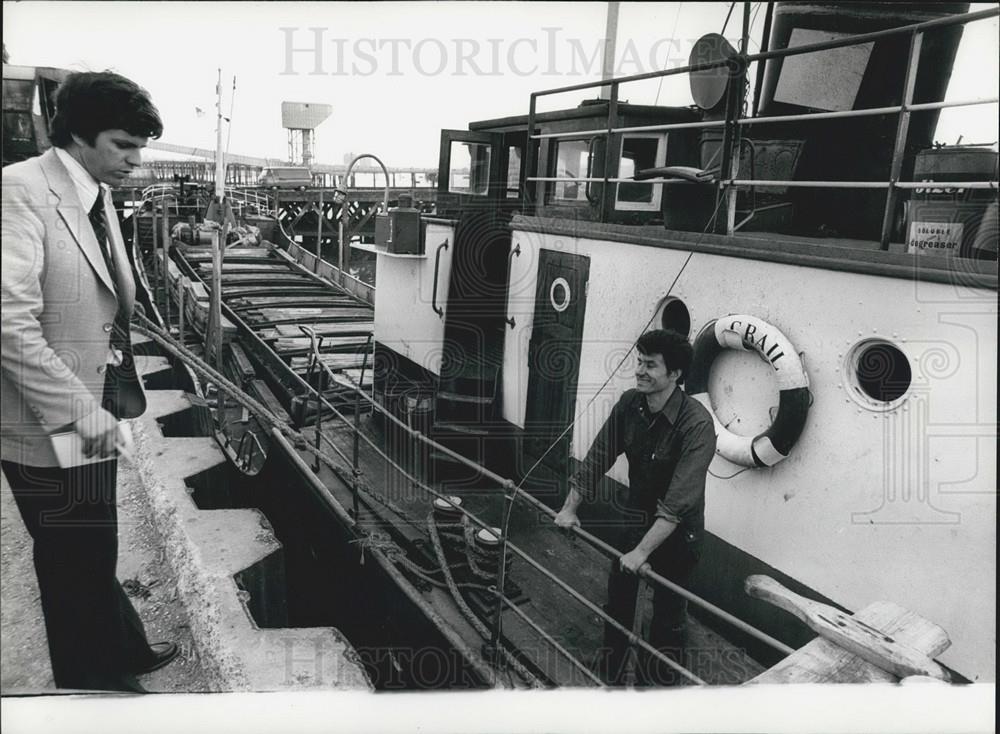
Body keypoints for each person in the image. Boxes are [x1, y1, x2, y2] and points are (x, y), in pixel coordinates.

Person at [1, 71, 178, 692]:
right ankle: (94, 682)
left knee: (93, 534)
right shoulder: (19, 191)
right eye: (124, 145)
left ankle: (118, 646)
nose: (137, 160)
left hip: (91, 396)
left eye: (141, 146)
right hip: (44, 414)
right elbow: (8, 325)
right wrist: (84, 414)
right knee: (69, 547)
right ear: (79, 134)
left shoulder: (93, 189)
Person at [554, 329, 716, 686]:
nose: (640, 371)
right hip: (636, 519)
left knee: (668, 618)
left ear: (674, 375)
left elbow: (676, 505)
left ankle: (658, 690)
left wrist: (642, 552)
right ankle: (610, 677)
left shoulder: (697, 425)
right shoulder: (630, 404)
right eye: (639, 362)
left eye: (650, 365)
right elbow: (597, 458)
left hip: (677, 536)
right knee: (620, 602)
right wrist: (569, 509)